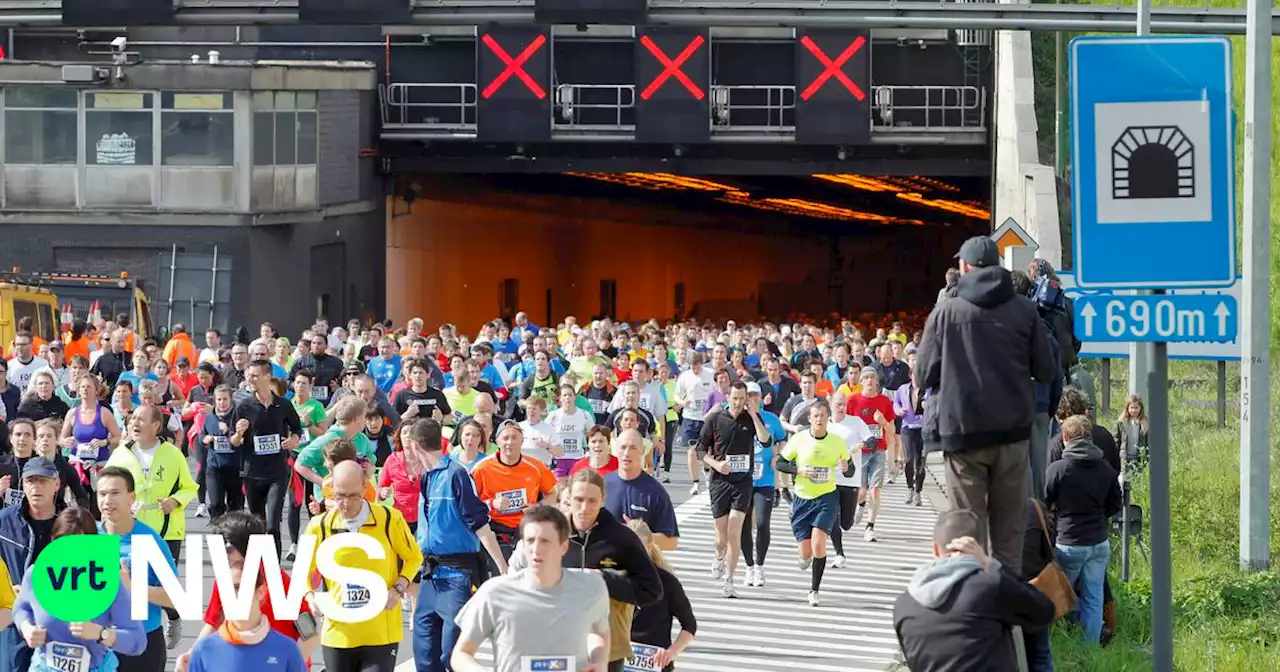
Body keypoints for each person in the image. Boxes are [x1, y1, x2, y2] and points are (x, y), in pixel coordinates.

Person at [915, 236, 1057, 577]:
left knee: (967, 524)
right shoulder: (1025, 310)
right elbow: (1047, 370)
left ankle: (974, 603)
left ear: (964, 267)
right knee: (1009, 530)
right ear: (998, 266)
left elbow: (923, 372)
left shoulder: (946, 311)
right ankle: (1007, 609)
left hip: (961, 433)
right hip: (1011, 433)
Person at [452, 504, 611, 672]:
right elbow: (461, 654)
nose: (536, 549)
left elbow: (599, 631)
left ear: (564, 546)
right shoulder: (495, 592)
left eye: (545, 541)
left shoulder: (590, 588)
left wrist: (599, 662)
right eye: (530, 540)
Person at [893, 509, 1056, 672]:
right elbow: (1045, 611)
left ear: (935, 549)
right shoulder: (989, 587)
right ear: (981, 547)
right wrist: (990, 565)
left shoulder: (904, 605)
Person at [301, 460, 423, 672]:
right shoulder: (320, 526)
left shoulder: (388, 519)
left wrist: (398, 588)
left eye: (353, 496)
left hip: (380, 632)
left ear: (365, 489)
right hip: (339, 633)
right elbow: (302, 571)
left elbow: (414, 557)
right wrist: (310, 597)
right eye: (339, 496)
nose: (345, 503)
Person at [411, 418, 509, 672]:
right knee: (424, 653)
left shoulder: (456, 474)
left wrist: (503, 567)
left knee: (452, 654)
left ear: (414, 445)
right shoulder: (426, 477)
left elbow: (480, 523)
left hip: (457, 575)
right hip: (430, 575)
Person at [105, 404, 199, 650]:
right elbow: (106, 485)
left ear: (156, 426)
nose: (134, 422)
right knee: (127, 581)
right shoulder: (121, 454)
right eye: (132, 418)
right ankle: (134, 633)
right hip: (130, 529)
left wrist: (175, 501)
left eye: (141, 419)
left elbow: (190, 487)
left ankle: (173, 617)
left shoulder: (172, 454)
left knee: (163, 585)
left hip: (165, 530)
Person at [14, 506, 148, 672]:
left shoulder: (109, 581)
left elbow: (138, 641)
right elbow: (20, 609)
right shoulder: (37, 574)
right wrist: (26, 628)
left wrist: (101, 634)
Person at [562, 469, 664, 670]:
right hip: (561, 645)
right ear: (568, 498)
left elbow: (652, 590)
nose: (584, 508)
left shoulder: (622, 538)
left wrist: (605, 579)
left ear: (603, 499)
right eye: (579, 499)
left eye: (592, 500)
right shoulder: (554, 534)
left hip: (609, 649)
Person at [1044, 415, 1122, 645]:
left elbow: (1043, 501)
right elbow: (1116, 505)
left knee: (1062, 595)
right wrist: (1098, 517)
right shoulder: (1106, 469)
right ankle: (1089, 649)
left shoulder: (1058, 469)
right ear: (1089, 437)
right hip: (1098, 542)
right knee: (1094, 597)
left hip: (1069, 543)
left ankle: (1058, 642)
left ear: (1065, 437)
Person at [97, 466, 178, 672]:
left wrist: (134, 588)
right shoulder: (88, 539)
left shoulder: (149, 540)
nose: (107, 501)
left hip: (142, 645)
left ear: (131, 497)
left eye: (115, 493)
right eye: (102, 494)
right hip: (98, 643)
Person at [696, 381, 772, 598]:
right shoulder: (715, 419)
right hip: (720, 480)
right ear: (728, 397)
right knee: (721, 536)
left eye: (742, 399)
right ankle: (719, 555)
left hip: (743, 482)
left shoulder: (751, 419)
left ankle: (729, 580)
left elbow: (766, 441)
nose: (738, 403)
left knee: (734, 531)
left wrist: (754, 414)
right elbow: (700, 449)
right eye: (735, 398)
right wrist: (716, 464)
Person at [774, 400, 855, 606]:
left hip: (826, 497)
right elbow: (780, 463)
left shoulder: (837, 441)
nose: (819, 419)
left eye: (822, 416)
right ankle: (803, 556)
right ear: (810, 419)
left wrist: (846, 467)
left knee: (819, 543)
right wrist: (798, 470)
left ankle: (814, 590)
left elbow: (850, 469)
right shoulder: (799, 439)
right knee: (806, 552)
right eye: (815, 416)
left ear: (828, 418)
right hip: (802, 499)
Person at [185, 565, 308, 672]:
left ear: (260, 592)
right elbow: (211, 623)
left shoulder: (287, 649)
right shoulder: (203, 651)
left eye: (239, 587)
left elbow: (311, 632)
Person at [626, 519, 696, 672]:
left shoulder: (667, 582)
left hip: (656, 664)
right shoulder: (614, 579)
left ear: (650, 548)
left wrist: (671, 652)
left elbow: (689, 625)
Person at [603, 429, 679, 551]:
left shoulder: (655, 491)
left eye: (633, 448)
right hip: (604, 564)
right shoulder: (602, 485)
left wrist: (641, 536)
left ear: (643, 451)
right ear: (616, 450)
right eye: (623, 447)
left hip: (639, 566)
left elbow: (671, 542)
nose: (626, 453)